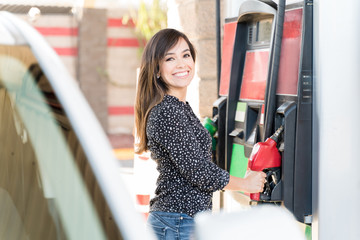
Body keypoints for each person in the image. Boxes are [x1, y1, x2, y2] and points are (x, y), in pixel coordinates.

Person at [134, 28, 266, 240]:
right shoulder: (167, 111)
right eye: (170, 58)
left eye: (186, 55)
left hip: (181, 220)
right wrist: (245, 183)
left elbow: (188, 157)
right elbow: (198, 171)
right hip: (178, 221)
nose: (181, 64)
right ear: (157, 69)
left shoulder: (179, 106)